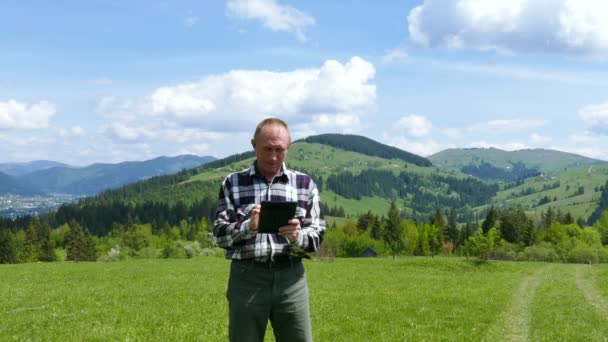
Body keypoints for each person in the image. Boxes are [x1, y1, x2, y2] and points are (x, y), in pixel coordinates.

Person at [213, 117, 326, 342]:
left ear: (289, 147)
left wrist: (297, 237)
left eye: (279, 149)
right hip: (247, 277)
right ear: (254, 145)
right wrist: (248, 227)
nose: (273, 156)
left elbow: (318, 235)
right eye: (267, 149)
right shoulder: (233, 183)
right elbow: (219, 234)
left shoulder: (304, 184)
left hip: (291, 278)